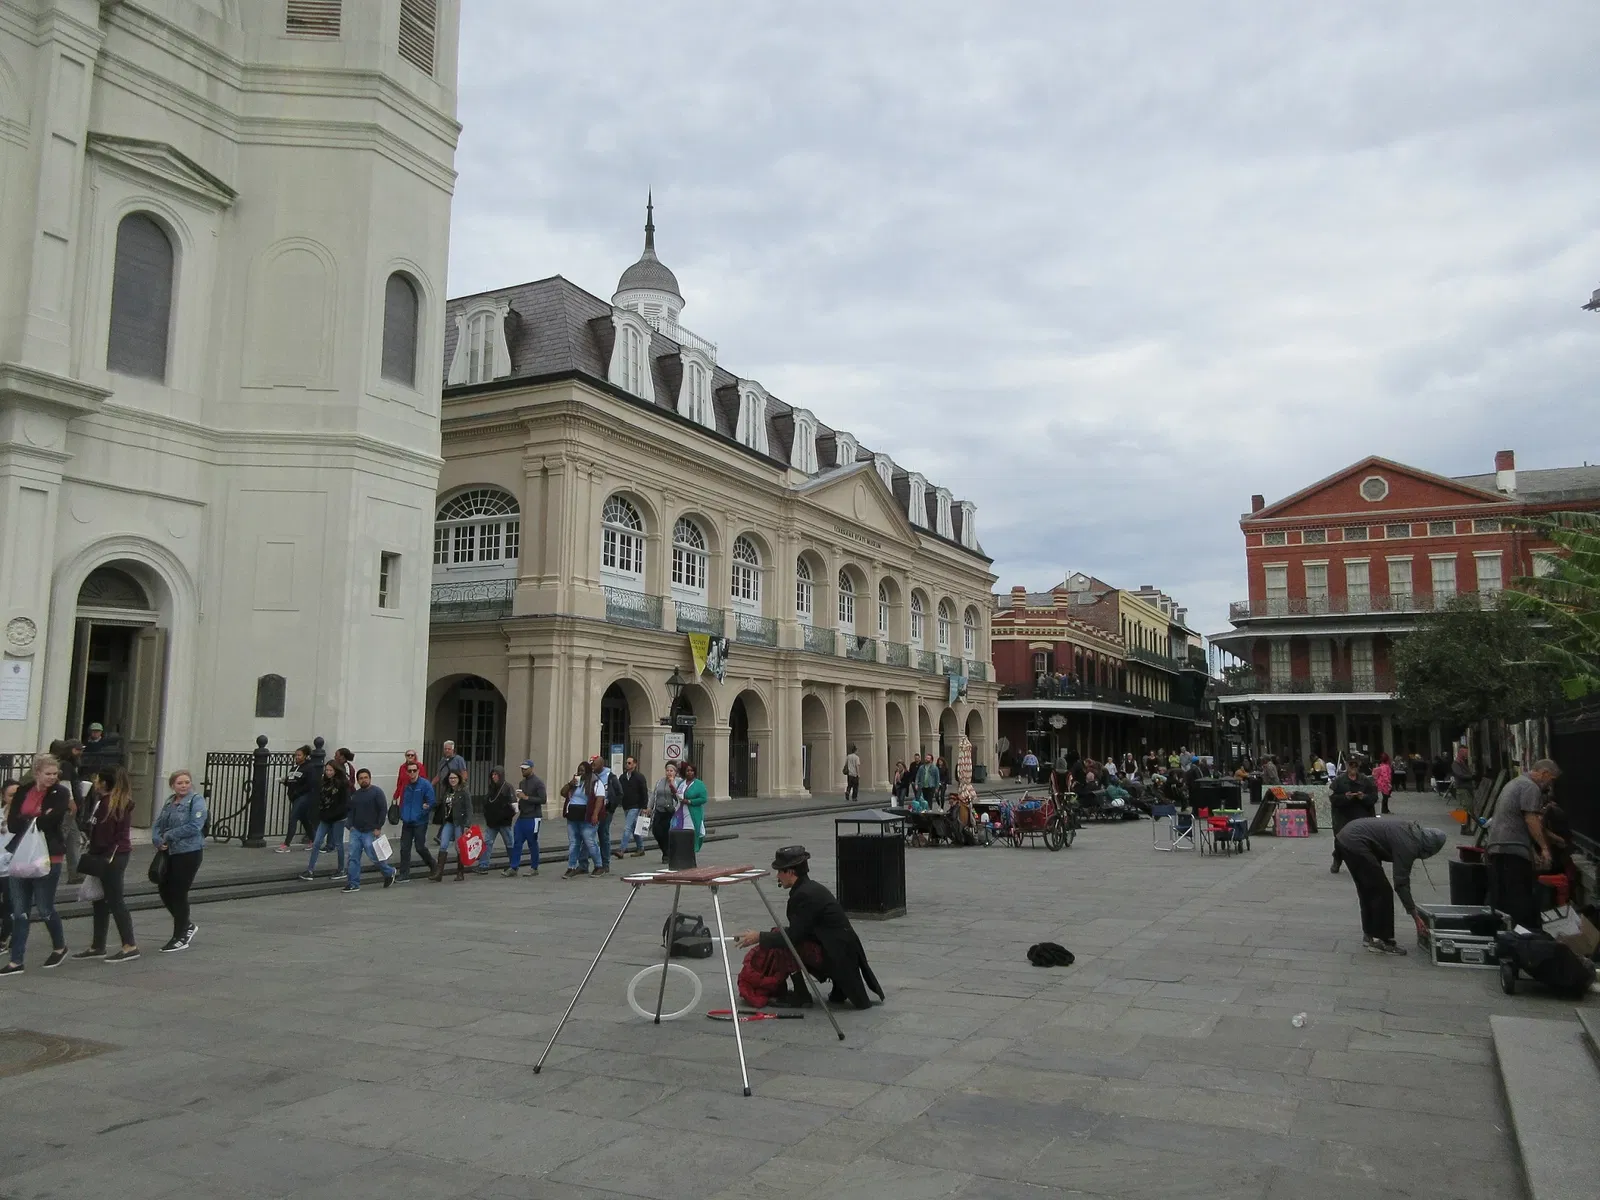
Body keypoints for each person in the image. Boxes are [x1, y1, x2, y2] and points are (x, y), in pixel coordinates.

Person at [734, 845, 885, 1010]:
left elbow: (793, 937)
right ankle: (829, 988)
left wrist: (759, 937)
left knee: (783, 942)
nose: (777, 876)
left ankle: (801, 995)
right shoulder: (809, 888)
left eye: (780, 871)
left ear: (791, 872)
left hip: (836, 956)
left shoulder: (804, 895)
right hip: (837, 950)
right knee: (779, 936)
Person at [2, 754, 73, 975]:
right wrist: (36, 817)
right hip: (21, 853)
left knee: (44, 907)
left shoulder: (60, 792)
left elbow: (50, 820)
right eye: (48, 774)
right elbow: (13, 822)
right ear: (37, 773)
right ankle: (16, 960)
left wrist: (35, 818)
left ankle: (60, 946)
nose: (52, 777)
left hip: (48, 854)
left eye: (55, 774)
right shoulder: (24, 790)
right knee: (19, 910)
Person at [1333, 816, 1447, 955]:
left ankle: (1370, 935)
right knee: (1382, 892)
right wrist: (1415, 915)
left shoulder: (1411, 832)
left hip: (1347, 836)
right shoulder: (1409, 845)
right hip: (1355, 841)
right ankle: (1383, 941)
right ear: (1429, 847)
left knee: (1368, 889)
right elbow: (1401, 882)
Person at [73, 766, 140, 962]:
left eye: (97, 779)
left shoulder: (109, 803)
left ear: (103, 783)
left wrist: (95, 848)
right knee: (100, 901)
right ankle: (98, 945)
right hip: (112, 853)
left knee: (115, 899)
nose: (94, 782)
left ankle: (129, 945)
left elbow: (105, 833)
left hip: (111, 855)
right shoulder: (108, 801)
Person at [1485, 759, 1560, 933]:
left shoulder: (1516, 782)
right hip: (1511, 848)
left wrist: (1538, 847)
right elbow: (1530, 820)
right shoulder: (1530, 787)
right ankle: (1521, 935)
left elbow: (1519, 821)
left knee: (1502, 894)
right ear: (1545, 774)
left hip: (1499, 845)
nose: (1551, 784)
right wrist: (1545, 848)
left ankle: (1503, 932)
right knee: (1519, 895)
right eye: (1552, 779)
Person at [150, 769, 206, 953]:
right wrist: (157, 838)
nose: (183, 786)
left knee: (179, 892)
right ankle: (187, 924)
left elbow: (195, 826)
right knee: (164, 889)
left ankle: (180, 935)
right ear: (173, 785)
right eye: (179, 783)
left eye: (186, 782)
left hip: (189, 851)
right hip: (169, 853)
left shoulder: (196, 801)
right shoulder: (169, 802)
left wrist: (169, 835)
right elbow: (158, 823)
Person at [343, 767, 396, 892]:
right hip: (356, 830)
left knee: (373, 856)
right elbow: (350, 811)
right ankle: (353, 883)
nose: (363, 780)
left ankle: (389, 872)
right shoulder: (355, 795)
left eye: (366, 777)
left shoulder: (377, 792)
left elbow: (383, 810)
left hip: (370, 831)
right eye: (361, 778)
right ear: (358, 781)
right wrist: (350, 825)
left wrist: (378, 827)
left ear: (370, 778)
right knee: (353, 857)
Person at [299, 761, 349, 881]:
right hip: (325, 817)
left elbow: (345, 803)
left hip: (338, 818)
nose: (328, 772)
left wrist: (334, 814)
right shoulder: (323, 782)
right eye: (327, 770)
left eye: (331, 770)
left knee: (338, 844)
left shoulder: (342, 784)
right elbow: (320, 799)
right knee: (316, 843)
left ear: (336, 771)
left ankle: (341, 869)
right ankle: (310, 870)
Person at [1328, 758, 1380, 873]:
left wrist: (1364, 797)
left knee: (1362, 841)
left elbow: (1374, 797)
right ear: (1346, 766)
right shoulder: (1338, 781)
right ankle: (1337, 859)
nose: (1353, 767)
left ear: (1358, 766)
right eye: (1350, 765)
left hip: (1361, 815)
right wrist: (1344, 797)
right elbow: (1332, 798)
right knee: (1341, 840)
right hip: (1343, 816)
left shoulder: (1365, 780)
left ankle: (1363, 864)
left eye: (1355, 765)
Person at [561, 762, 605, 879]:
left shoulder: (595, 782)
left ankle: (599, 866)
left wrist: (595, 815)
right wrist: (570, 784)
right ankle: (571, 867)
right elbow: (563, 793)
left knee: (590, 841)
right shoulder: (575, 783)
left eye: (582, 770)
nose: (580, 773)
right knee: (574, 843)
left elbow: (600, 799)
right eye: (579, 770)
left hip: (587, 817)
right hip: (573, 816)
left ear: (588, 771)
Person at [394, 761, 436, 882]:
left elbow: (431, 802)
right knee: (404, 848)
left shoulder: (425, 785)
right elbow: (404, 801)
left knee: (420, 847)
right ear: (407, 772)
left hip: (420, 822)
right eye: (410, 771)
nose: (412, 773)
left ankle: (433, 865)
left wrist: (422, 812)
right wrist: (403, 814)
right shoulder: (406, 785)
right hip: (407, 821)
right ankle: (404, 874)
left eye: (414, 770)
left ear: (418, 771)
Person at [431, 769, 473, 882]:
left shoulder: (463, 791)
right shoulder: (447, 791)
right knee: (443, 844)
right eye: (450, 778)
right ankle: (439, 873)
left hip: (459, 822)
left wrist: (467, 825)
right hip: (448, 822)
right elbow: (440, 803)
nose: (452, 780)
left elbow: (469, 809)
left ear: (459, 779)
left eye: (454, 778)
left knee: (458, 847)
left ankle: (460, 872)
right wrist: (429, 805)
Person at [275, 745, 318, 853]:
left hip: (304, 797)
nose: (297, 757)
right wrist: (284, 781)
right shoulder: (294, 768)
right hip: (294, 797)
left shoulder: (309, 768)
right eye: (296, 755)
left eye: (299, 755)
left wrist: (298, 792)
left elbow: (310, 784)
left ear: (305, 756)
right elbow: (292, 781)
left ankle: (286, 844)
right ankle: (315, 841)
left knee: (293, 818)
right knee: (304, 820)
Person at [507, 761, 545, 877]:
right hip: (522, 816)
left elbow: (543, 799)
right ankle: (514, 867)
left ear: (532, 769)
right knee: (517, 842)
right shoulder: (522, 783)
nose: (523, 771)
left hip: (534, 817)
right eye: (522, 769)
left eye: (525, 769)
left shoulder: (538, 783)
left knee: (532, 842)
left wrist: (526, 797)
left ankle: (534, 867)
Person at [477, 766, 516, 874]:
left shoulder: (507, 787)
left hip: (503, 821)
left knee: (509, 843)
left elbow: (513, 805)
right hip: (492, 821)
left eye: (496, 774)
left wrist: (506, 816)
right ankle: (483, 865)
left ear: (501, 775)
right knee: (487, 842)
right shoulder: (492, 787)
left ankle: (513, 864)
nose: (494, 777)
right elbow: (487, 801)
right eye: (493, 775)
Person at [615, 755, 649, 858]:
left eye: (629, 763)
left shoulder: (639, 777)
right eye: (626, 763)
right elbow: (620, 791)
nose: (627, 765)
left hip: (635, 806)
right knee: (635, 828)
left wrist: (644, 806)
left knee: (627, 827)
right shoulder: (622, 777)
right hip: (626, 805)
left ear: (634, 764)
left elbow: (644, 792)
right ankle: (640, 848)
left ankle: (622, 850)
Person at [648, 762, 681, 864]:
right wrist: (649, 807)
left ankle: (667, 854)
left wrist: (672, 784)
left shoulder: (678, 782)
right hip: (659, 810)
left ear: (675, 772)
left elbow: (679, 796)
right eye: (667, 770)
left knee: (667, 832)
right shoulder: (660, 782)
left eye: (671, 771)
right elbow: (654, 795)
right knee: (656, 831)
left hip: (671, 812)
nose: (669, 773)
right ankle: (665, 850)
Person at [681, 762, 708, 851]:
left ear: (694, 772)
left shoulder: (699, 784)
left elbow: (703, 799)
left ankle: (692, 850)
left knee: (691, 831)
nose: (689, 772)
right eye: (687, 770)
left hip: (693, 812)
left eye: (691, 771)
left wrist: (690, 801)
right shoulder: (682, 783)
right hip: (681, 811)